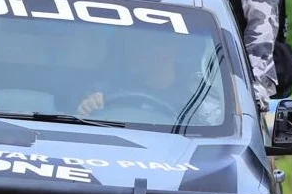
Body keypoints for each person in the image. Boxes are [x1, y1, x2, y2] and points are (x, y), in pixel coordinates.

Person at [76, 30, 224, 126]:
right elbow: (78, 128)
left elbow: (211, 139)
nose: (131, 51)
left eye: (142, 45)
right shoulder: (105, 90)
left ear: (169, 51)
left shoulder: (198, 98)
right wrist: (87, 109)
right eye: (129, 44)